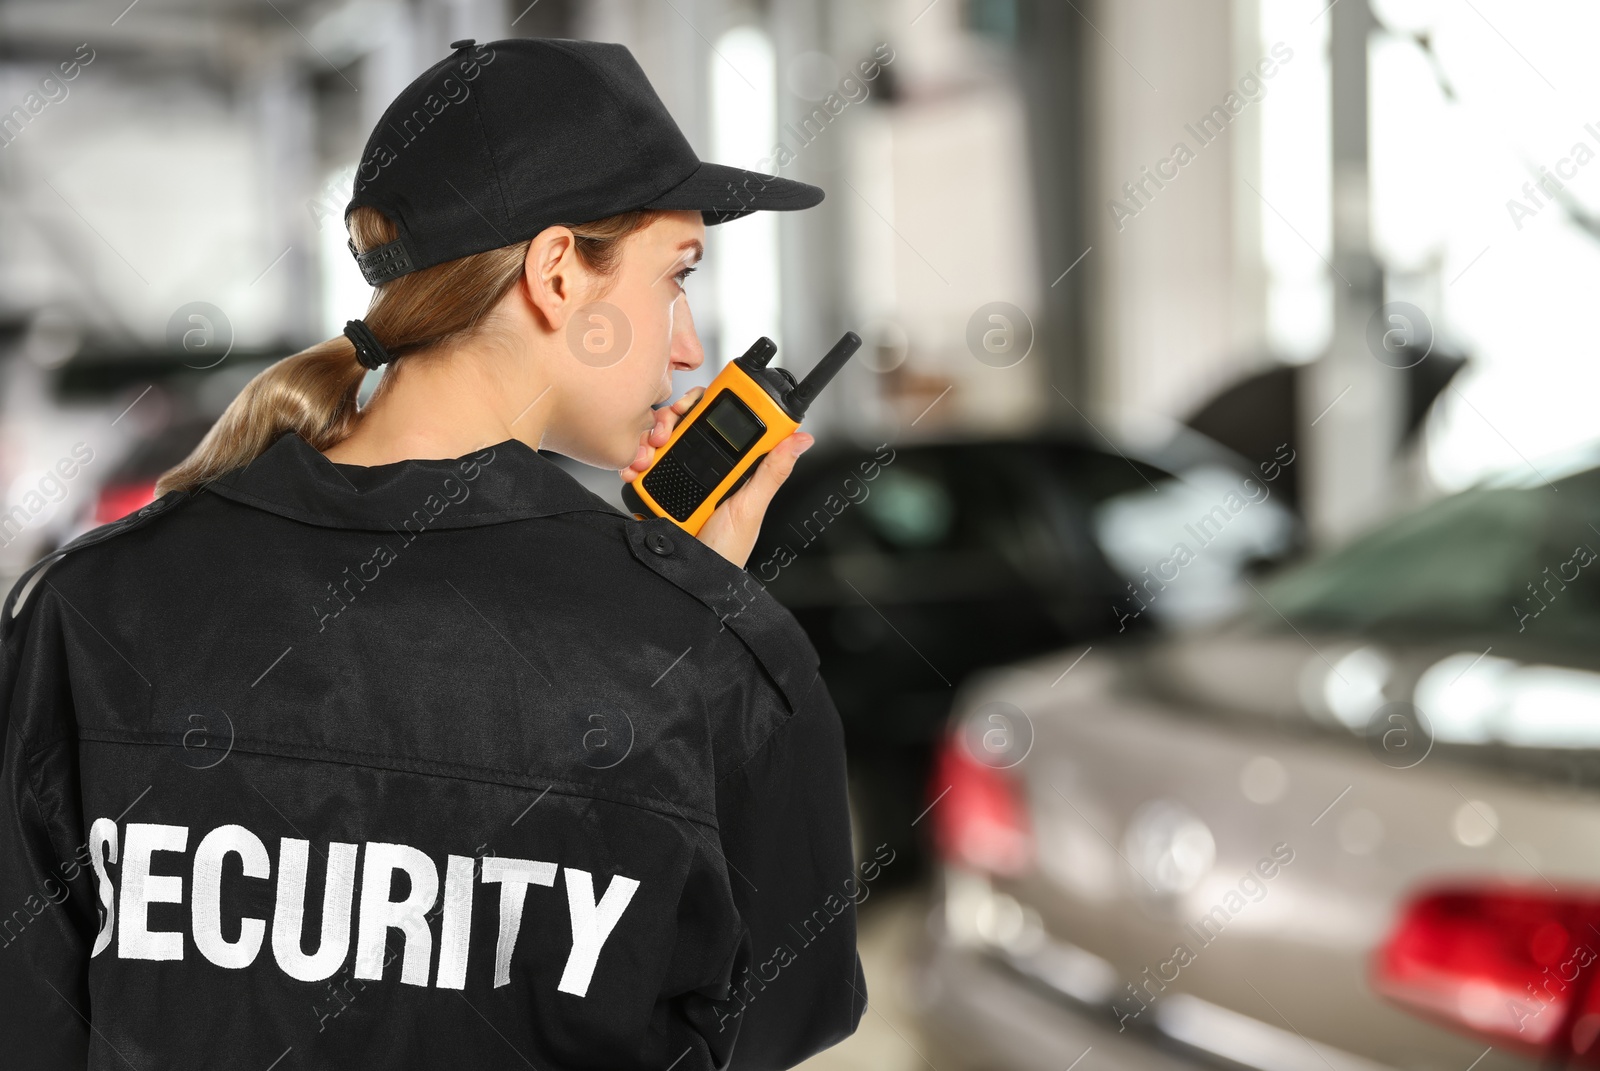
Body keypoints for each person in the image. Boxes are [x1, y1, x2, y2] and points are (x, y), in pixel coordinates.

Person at [0, 36, 866, 1070]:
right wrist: (684, 614)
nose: (686, 345)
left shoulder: (92, 605)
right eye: (675, 276)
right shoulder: (719, 662)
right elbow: (768, 1026)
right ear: (555, 273)